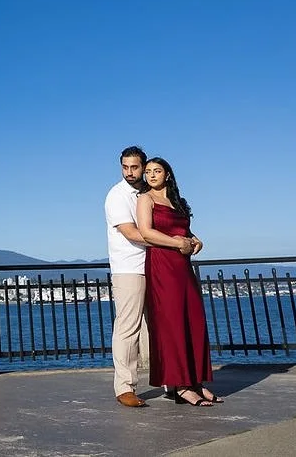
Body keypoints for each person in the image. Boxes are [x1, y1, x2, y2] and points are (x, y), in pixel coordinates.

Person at [105, 146, 197, 408]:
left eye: (135, 167)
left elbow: (171, 224)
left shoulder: (151, 194)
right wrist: (176, 243)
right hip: (130, 268)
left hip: (157, 266)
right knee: (128, 327)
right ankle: (125, 387)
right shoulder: (117, 195)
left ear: (143, 168)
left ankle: (171, 383)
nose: (130, 172)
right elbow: (135, 233)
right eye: (125, 167)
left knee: (162, 327)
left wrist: (189, 238)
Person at [135, 157, 222, 406]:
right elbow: (146, 232)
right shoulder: (146, 199)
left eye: (157, 171)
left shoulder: (177, 201)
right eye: (148, 171)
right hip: (162, 263)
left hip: (182, 266)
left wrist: (196, 240)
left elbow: (183, 230)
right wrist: (178, 243)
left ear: (168, 175)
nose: (151, 175)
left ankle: (197, 381)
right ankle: (181, 386)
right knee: (172, 322)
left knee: (193, 320)